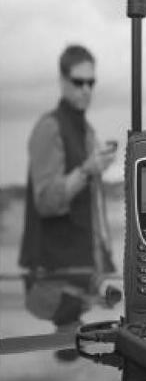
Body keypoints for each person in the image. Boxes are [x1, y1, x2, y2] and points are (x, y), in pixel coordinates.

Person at [19, 44, 117, 355]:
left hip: (81, 278)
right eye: (78, 81)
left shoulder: (87, 131)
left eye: (91, 82)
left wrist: (102, 266)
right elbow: (46, 201)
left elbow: (90, 210)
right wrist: (87, 169)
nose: (86, 89)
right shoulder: (49, 128)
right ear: (62, 81)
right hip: (52, 279)